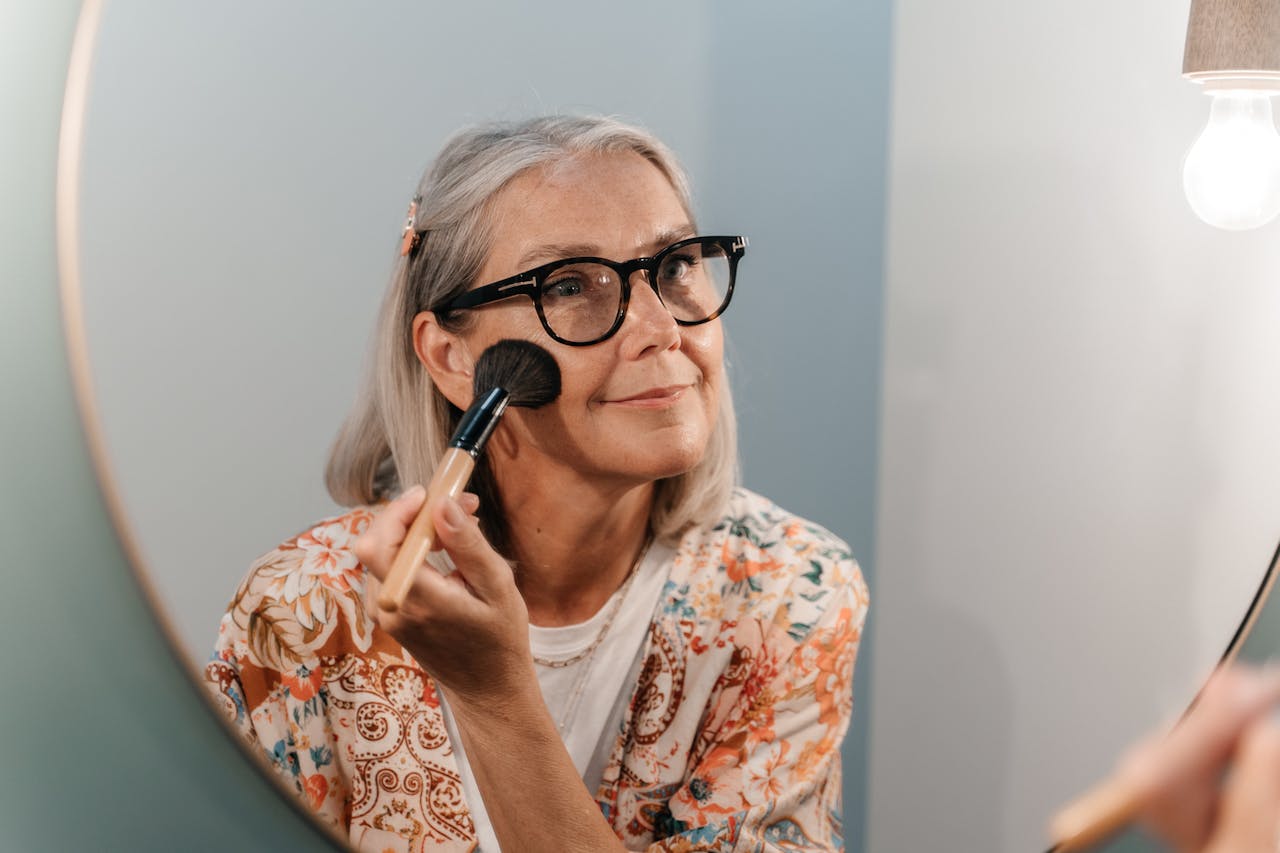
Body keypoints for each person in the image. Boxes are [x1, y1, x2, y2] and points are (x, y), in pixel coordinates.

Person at [204, 115, 869, 853]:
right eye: (570, 284)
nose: (661, 328)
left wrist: (497, 699)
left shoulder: (791, 594)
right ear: (453, 358)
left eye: (677, 265)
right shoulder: (299, 614)